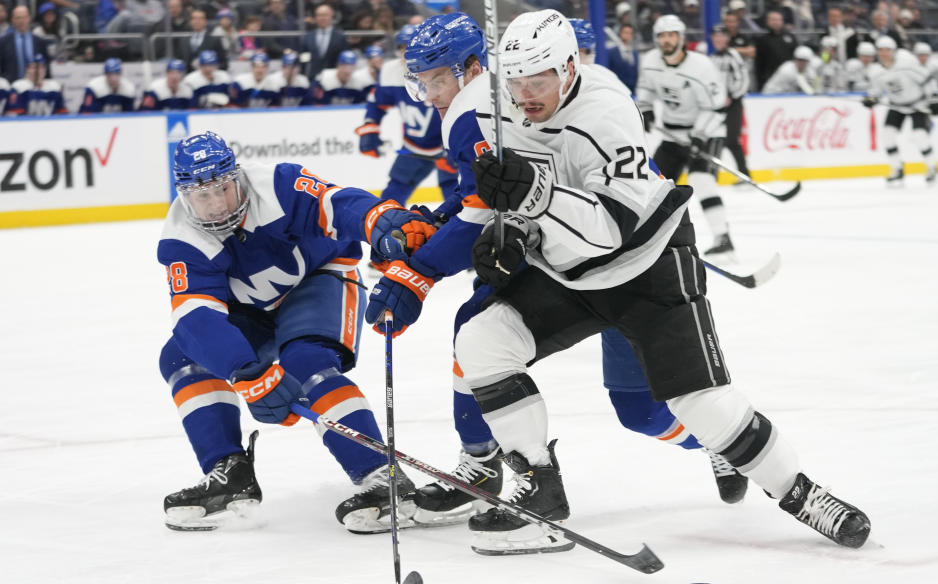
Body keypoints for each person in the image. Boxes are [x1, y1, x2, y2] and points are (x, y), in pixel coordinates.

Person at [446, 10, 871, 556]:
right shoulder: (500, 109)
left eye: (539, 80)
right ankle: (539, 486)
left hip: (647, 265)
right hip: (569, 275)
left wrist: (539, 198)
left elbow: (608, 232)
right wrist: (511, 238)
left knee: (699, 405)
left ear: (570, 67)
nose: (525, 94)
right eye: (516, 81)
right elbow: (520, 203)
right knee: (482, 338)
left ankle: (800, 492)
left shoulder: (606, 109)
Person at [367, 12, 749, 529]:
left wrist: (418, 272)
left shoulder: (479, 110)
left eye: (436, 79)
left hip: (610, 260)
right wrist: (434, 222)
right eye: (422, 81)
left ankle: (484, 467)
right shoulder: (490, 101)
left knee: (488, 337)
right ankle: (486, 464)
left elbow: (485, 216)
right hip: (574, 257)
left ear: (472, 67)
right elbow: (478, 198)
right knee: (623, 406)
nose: (429, 92)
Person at [158, 131, 437, 532]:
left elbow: (337, 203)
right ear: (186, 197)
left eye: (222, 190)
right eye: (203, 197)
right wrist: (247, 373)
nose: (216, 205)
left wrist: (378, 220)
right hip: (251, 309)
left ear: (236, 178)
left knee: (306, 360)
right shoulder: (181, 238)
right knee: (183, 357)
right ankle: (228, 472)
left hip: (320, 278)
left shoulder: (276, 184)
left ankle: (381, 476)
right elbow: (194, 319)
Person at [637, 15, 736, 257]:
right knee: (655, 185)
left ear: (681, 39)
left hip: (707, 130)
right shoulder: (650, 61)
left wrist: (699, 136)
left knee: (701, 178)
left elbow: (716, 108)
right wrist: (647, 110)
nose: (667, 40)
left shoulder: (701, 66)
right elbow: (646, 90)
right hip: (672, 134)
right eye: (662, 36)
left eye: (671, 35)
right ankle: (655, 242)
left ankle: (723, 238)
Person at [354, 24, 457, 209]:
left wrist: (456, 144)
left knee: (454, 192)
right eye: (403, 48)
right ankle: (386, 227)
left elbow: (460, 106)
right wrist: (370, 127)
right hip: (414, 145)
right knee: (392, 195)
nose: (407, 53)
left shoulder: (443, 68)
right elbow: (377, 103)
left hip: (446, 145)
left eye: (412, 47)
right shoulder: (390, 71)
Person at [863, 36, 938, 185]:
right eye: (881, 50)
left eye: (887, 50)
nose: (884, 53)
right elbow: (875, 91)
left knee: (919, 136)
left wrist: (934, 99)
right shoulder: (876, 71)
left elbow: (927, 79)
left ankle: (931, 167)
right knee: (887, 135)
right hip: (896, 106)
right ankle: (897, 168)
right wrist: (871, 99)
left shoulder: (907, 64)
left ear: (894, 51)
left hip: (918, 104)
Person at [709, 24, 751, 178]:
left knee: (732, 140)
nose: (718, 39)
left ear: (727, 38)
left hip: (733, 104)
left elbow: (743, 79)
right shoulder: (712, 58)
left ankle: (744, 173)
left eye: (721, 36)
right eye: (715, 36)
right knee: (715, 139)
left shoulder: (733, 55)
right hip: (716, 106)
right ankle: (712, 175)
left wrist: (732, 97)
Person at [754, 9, 798, 91]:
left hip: (789, 79)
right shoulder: (762, 40)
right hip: (770, 80)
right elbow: (758, 65)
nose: (776, 22)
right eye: (773, 20)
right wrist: (760, 84)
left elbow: (796, 58)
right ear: (767, 21)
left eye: (778, 20)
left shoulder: (791, 37)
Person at [0, 6, 47, 83]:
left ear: (29, 18)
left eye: (24, 17)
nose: (21, 21)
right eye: (18, 18)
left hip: (34, 87)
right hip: (11, 87)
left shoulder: (39, 41)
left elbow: (45, 65)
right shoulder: (3, 42)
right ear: (12, 20)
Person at [303, 3, 347, 79]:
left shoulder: (340, 37)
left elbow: (343, 58)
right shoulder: (308, 37)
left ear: (331, 16)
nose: (322, 18)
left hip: (333, 79)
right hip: (312, 78)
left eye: (325, 15)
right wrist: (303, 73)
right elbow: (304, 57)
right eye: (319, 15)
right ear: (315, 17)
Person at [605, 22, 639, 93]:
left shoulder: (635, 54)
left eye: (630, 33)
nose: (628, 35)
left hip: (632, 93)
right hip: (616, 91)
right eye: (625, 32)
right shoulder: (611, 52)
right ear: (620, 34)